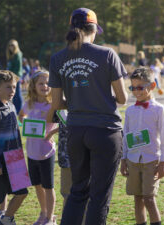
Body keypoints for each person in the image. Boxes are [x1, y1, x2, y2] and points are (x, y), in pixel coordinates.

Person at [48, 7, 128, 225]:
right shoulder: (107, 54)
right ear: (94, 30)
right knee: (99, 195)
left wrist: (76, 102)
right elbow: (122, 98)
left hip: (76, 131)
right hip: (105, 131)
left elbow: (56, 103)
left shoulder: (57, 58)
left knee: (78, 191)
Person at [121, 67, 164, 225]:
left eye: (140, 87)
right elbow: (125, 136)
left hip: (151, 161)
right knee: (138, 199)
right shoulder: (130, 111)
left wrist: (163, 162)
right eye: (133, 88)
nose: (136, 91)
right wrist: (123, 159)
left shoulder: (159, 110)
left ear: (152, 86)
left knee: (149, 198)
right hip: (133, 160)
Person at [0, 70, 28, 225]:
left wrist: (20, 157)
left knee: (22, 193)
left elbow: (16, 133)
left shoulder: (11, 105)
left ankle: (6, 219)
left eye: (14, 87)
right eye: (8, 87)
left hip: (15, 159)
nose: (13, 91)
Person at [19, 70, 57, 225]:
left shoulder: (53, 104)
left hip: (47, 152)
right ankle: (43, 213)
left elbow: (65, 122)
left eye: (47, 82)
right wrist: (25, 125)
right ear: (33, 86)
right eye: (41, 83)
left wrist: (51, 134)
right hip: (32, 152)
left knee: (48, 186)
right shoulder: (29, 104)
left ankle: (50, 218)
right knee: (37, 185)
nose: (45, 86)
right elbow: (21, 116)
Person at [6, 39, 23, 114]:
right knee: (12, 94)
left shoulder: (18, 54)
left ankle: (19, 111)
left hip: (16, 77)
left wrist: (16, 77)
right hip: (11, 77)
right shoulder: (11, 55)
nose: (11, 47)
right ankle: (15, 110)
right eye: (10, 45)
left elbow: (18, 68)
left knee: (17, 94)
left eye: (12, 45)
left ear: (16, 46)